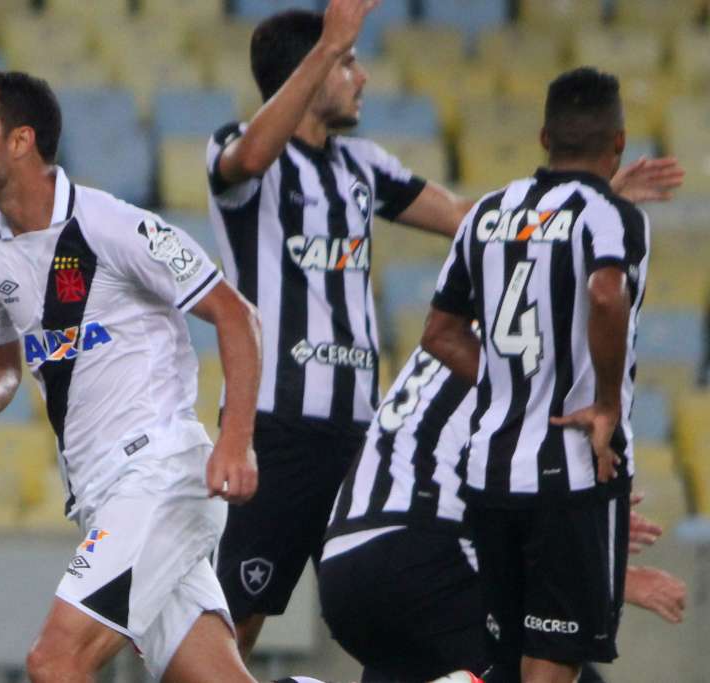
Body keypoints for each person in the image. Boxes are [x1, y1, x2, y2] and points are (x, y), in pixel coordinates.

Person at [205, 0, 685, 658]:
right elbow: (252, 158)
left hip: (355, 432)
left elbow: (468, 216)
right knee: (236, 619)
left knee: (382, 608)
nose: (361, 77)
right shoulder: (237, 150)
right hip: (276, 426)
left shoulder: (361, 164)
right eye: (348, 64)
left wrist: (586, 199)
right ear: (309, 71)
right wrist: (328, 43)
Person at [0, 67, 264, 682]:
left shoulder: (115, 226)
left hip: (159, 473)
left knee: (54, 662)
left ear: (20, 140)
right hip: (101, 495)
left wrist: (235, 440)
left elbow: (237, 316)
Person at [422, 67, 652, 683]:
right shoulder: (612, 215)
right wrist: (606, 404)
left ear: (545, 138)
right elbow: (606, 294)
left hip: (490, 474)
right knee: (554, 662)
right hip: (571, 475)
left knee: (505, 662)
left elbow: (439, 334)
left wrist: (512, 387)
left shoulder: (485, 213)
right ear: (619, 142)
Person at [319, 342, 686, 683]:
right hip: (422, 552)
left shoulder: (468, 331)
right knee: (556, 668)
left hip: (343, 569)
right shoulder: (541, 343)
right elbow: (520, 505)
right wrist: (606, 570)